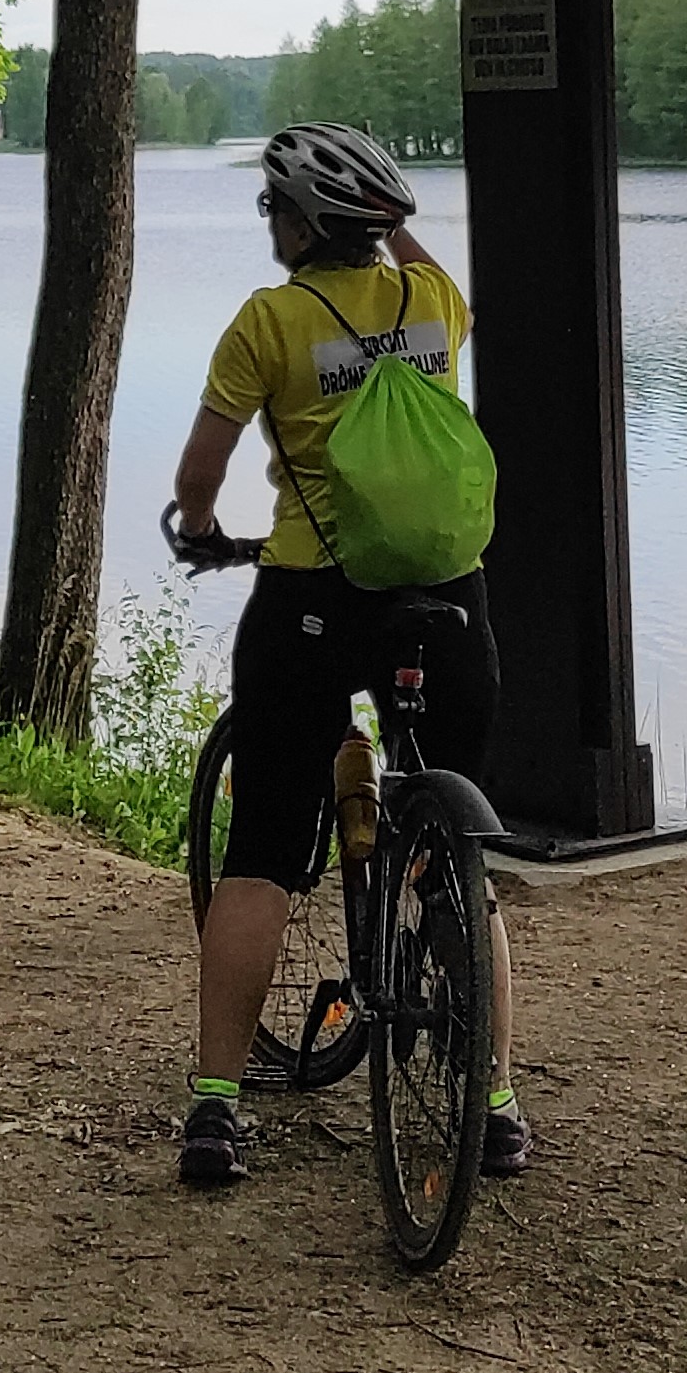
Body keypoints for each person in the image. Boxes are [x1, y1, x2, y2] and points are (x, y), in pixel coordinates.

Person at [163, 122, 528, 1185]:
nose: (267, 224)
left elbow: (200, 469)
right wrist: (400, 233)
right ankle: (495, 1099)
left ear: (301, 222)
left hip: (313, 598)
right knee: (461, 858)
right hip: (446, 598)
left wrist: (197, 523)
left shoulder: (268, 322)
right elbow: (422, 270)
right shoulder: (434, 305)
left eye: (275, 208)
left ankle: (217, 1107)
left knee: (266, 847)